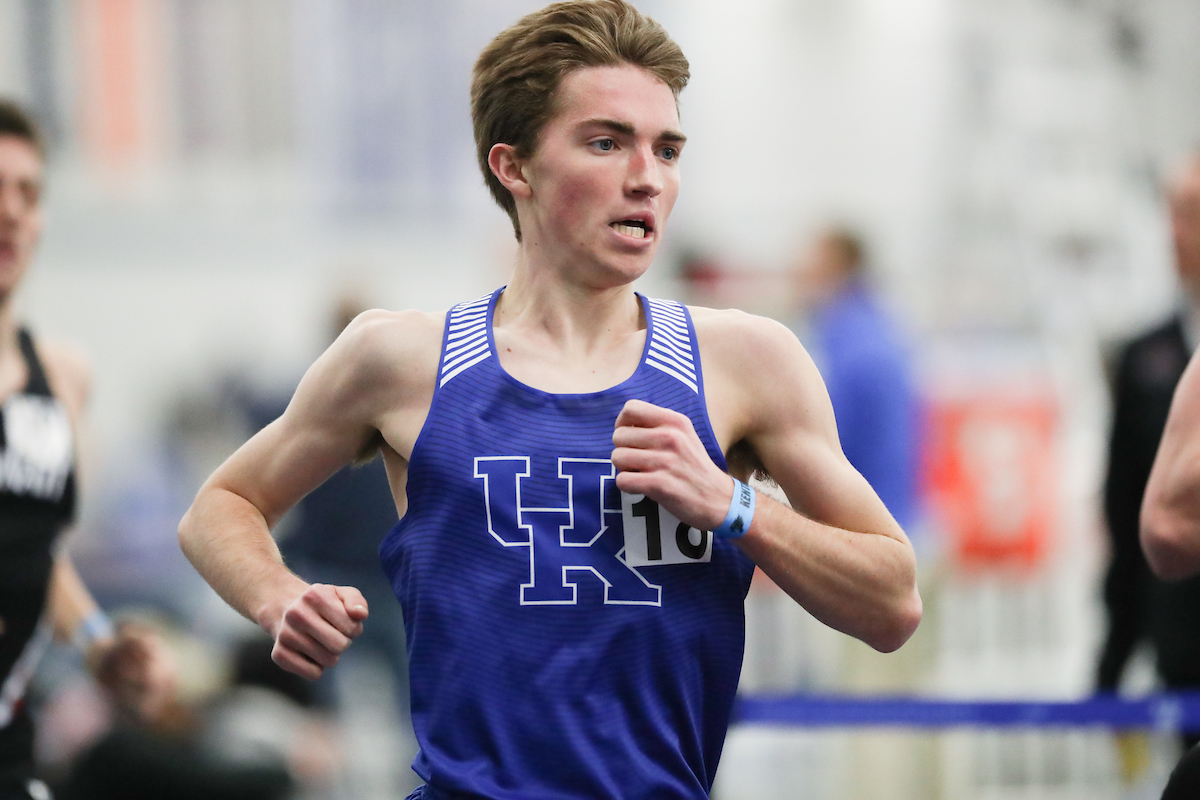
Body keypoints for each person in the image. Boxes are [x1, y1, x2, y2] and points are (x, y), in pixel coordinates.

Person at [177, 2, 922, 798]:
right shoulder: (401, 360)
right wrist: (278, 596)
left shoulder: (747, 362)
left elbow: (892, 605)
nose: (647, 177)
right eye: (607, 142)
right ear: (515, 167)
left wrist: (733, 505)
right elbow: (220, 507)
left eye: (667, 149)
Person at [0, 101, 172, 799]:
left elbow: (35, 553)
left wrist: (100, 644)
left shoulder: (62, 376)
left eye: (28, 193)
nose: (11, 211)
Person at [1097, 156, 1200, 706]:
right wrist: (1115, 652)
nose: (1175, 233)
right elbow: (1126, 508)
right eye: (1173, 214)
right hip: (1181, 646)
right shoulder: (1145, 359)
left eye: (1193, 214)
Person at [790, 227, 919, 530]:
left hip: (860, 521)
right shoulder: (879, 328)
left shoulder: (849, 345)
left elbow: (823, 440)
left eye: (810, 265)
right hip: (894, 512)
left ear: (834, 268)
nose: (799, 275)